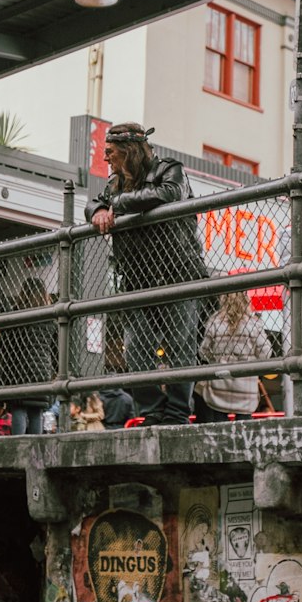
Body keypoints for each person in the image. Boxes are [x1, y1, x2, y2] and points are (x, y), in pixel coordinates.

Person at [85, 122, 207, 426]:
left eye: (110, 152)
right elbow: (94, 203)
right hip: (137, 277)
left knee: (180, 346)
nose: (106, 159)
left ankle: (178, 414)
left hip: (178, 273)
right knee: (137, 348)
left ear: (128, 151)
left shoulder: (169, 169)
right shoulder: (115, 184)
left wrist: (116, 204)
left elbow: (169, 193)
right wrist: (99, 210)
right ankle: (151, 411)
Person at [194, 291, 272, 421]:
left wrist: (218, 358)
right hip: (245, 388)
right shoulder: (253, 324)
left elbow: (204, 353)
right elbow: (266, 353)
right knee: (244, 428)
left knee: (219, 425)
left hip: (220, 386)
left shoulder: (215, 321)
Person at [3, 278, 55, 435]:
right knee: (36, 411)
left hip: (19, 367)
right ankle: (36, 451)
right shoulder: (49, 316)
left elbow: (6, 344)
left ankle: (18, 446)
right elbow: (54, 347)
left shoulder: (16, 313)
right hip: (42, 369)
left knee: (19, 408)